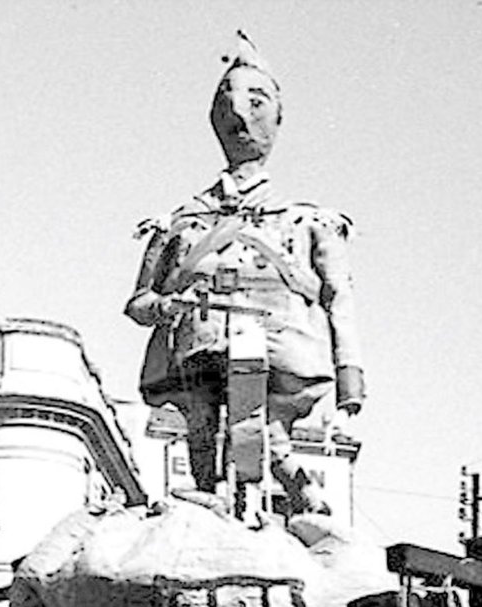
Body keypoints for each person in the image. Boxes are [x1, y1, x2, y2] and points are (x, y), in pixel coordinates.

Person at [125, 32, 364, 514]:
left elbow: (338, 297)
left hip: (278, 345)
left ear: (278, 117)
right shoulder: (180, 223)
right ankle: (214, 501)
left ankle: (300, 494)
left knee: (259, 431)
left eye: (257, 101)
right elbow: (138, 302)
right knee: (202, 426)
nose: (241, 115)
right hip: (199, 344)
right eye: (228, 102)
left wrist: (350, 377)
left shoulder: (308, 221)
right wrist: (168, 306)